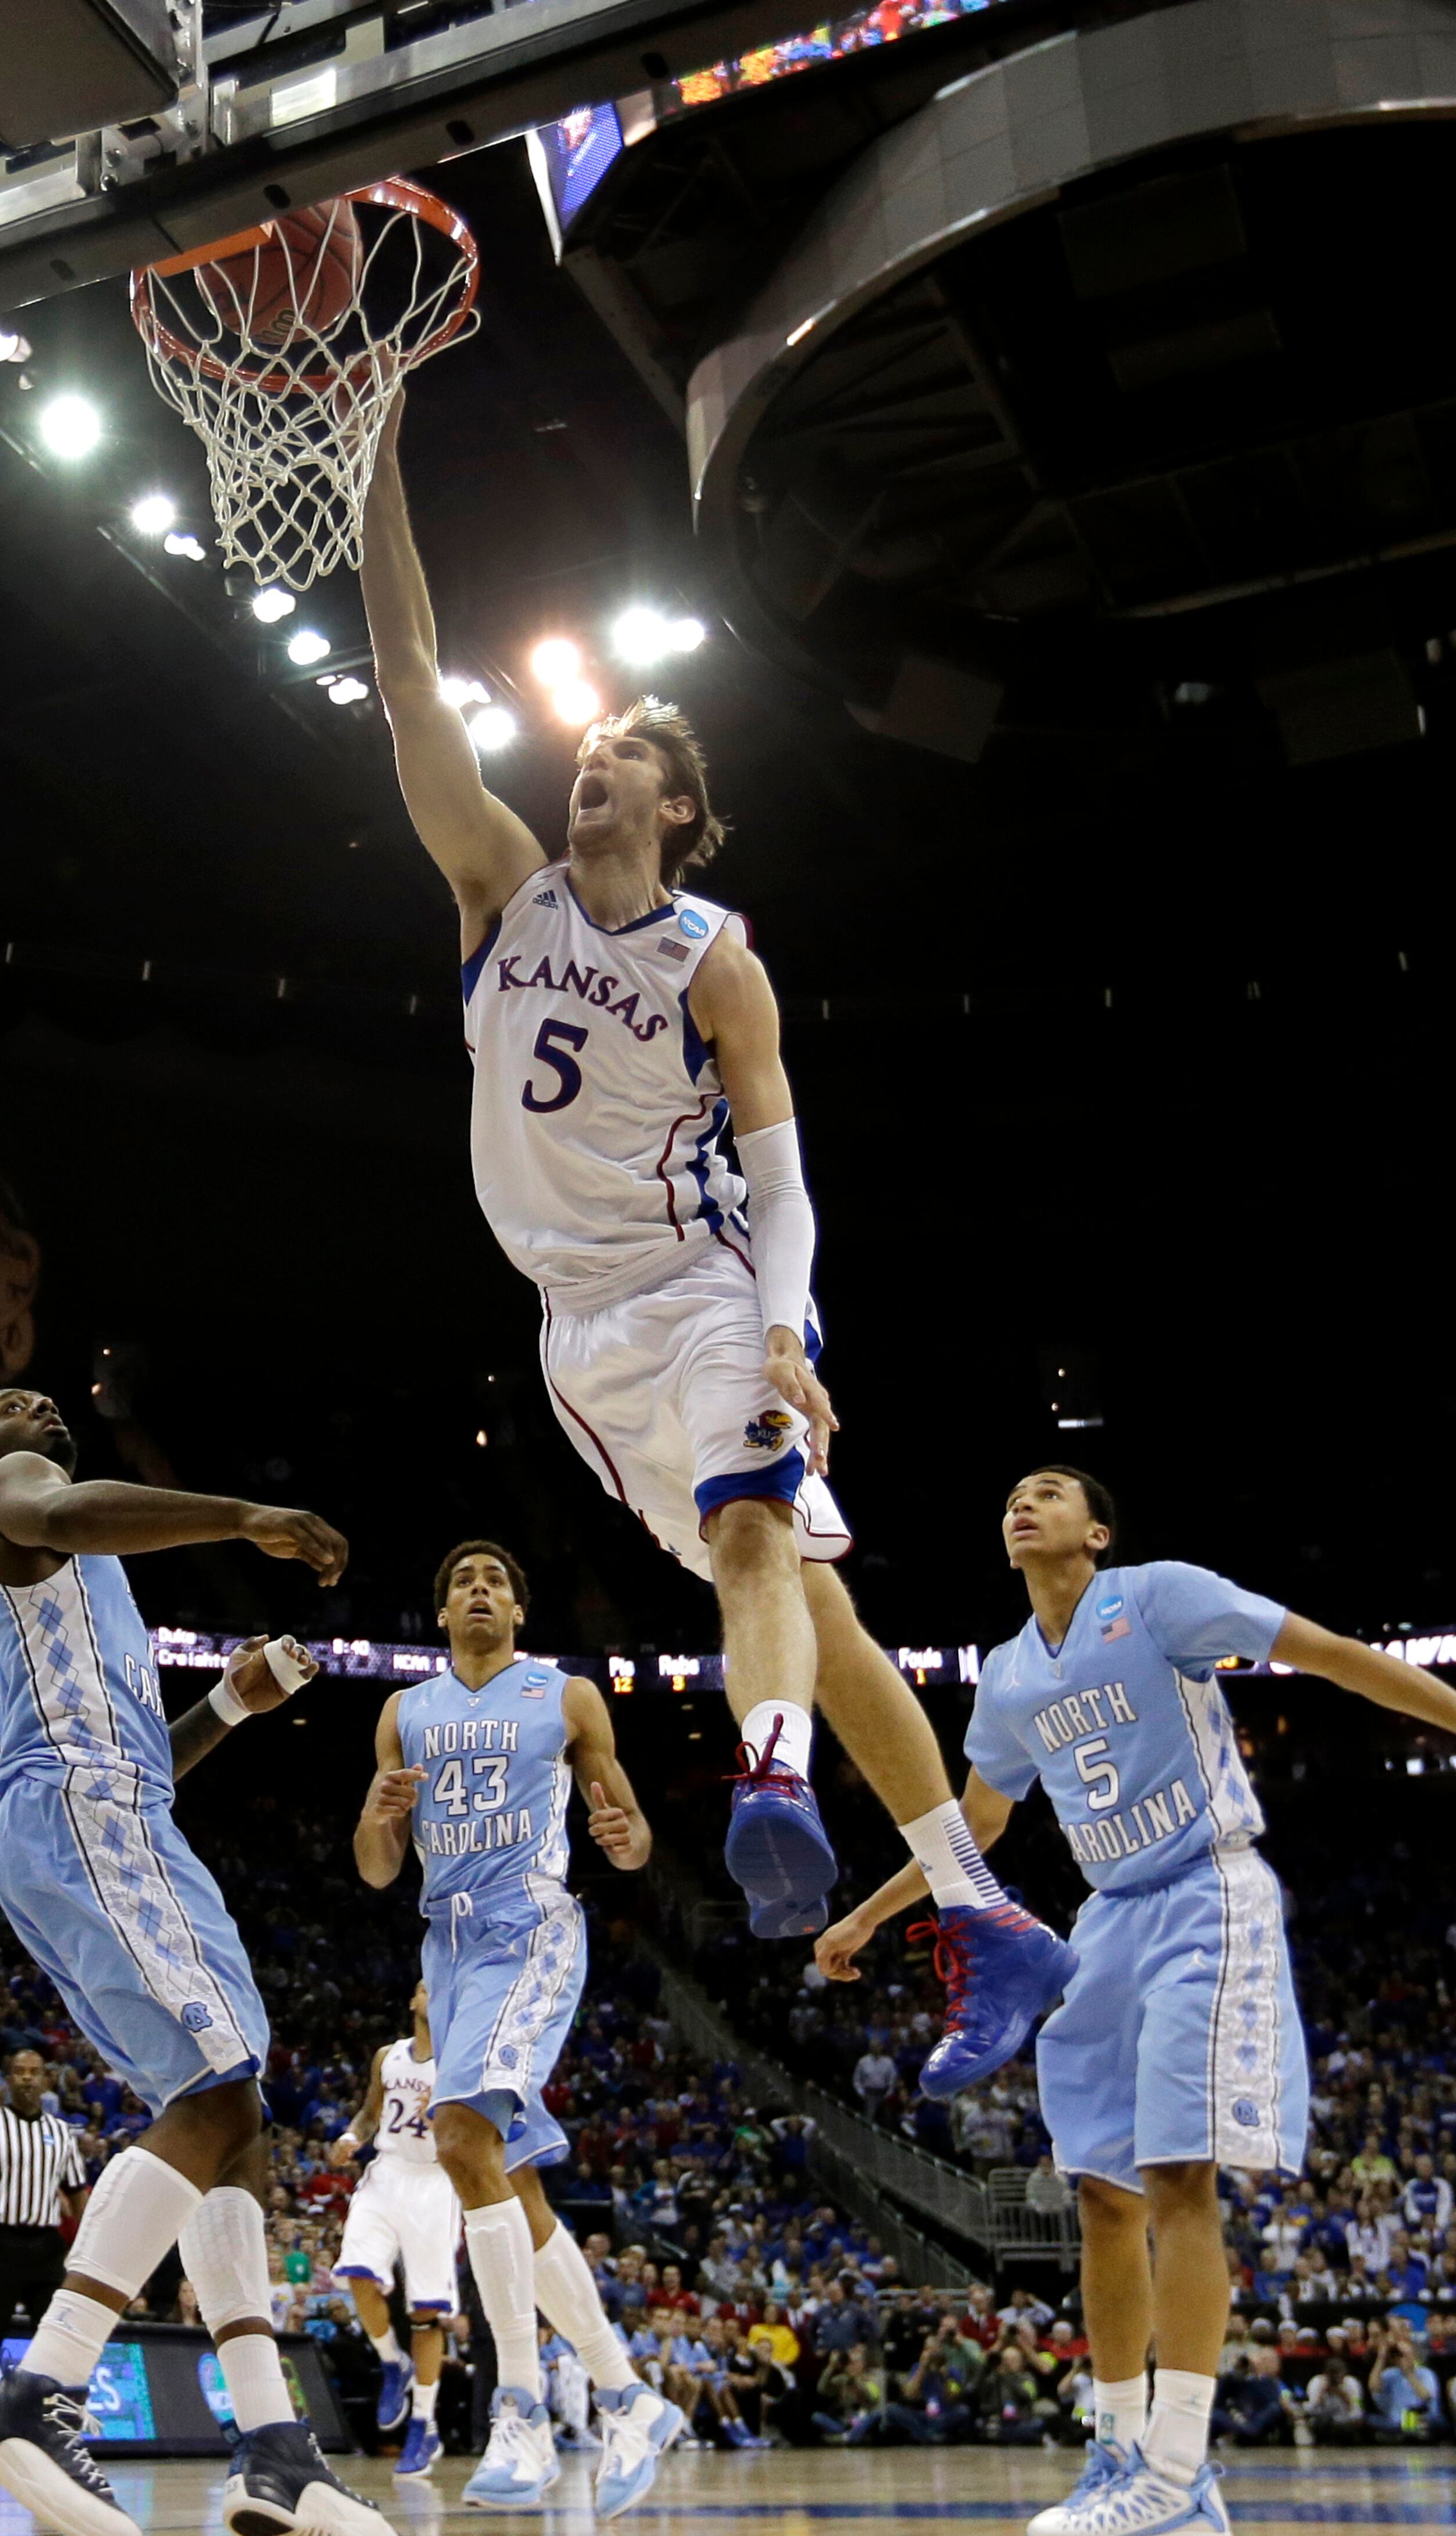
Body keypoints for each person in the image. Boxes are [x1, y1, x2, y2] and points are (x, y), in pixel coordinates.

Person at [357, 406, 1070, 2092]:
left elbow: (783, 1167)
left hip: (698, 1293)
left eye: (623, 751)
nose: (585, 757)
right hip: (574, 1337)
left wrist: (785, 1328)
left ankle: (770, 1778)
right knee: (816, 1608)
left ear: (678, 803)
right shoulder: (497, 889)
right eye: (581, 744)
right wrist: (377, 442)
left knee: (758, 1539)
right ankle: (988, 1915)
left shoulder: (714, 957)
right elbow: (404, 674)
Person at [818, 1466, 1456, 2536]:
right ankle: (1120, 2452)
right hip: (1104, 1922)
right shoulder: (1006, 1673)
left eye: (1048, 1492)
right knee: (1102, 2196)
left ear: (1098, 1531)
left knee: (1180, 2176)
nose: (1020, 1504)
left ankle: (1181, 2469)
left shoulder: (1159, 1596)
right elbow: (977, 1824)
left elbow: (1337, 1657)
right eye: (1011, 1497)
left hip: (1203, 1892)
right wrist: (873, 1916)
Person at [0, 1382, 408, 2536]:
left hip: (113, 1812)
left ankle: (275, 2446)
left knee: (230, 2124)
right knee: (216, 2098)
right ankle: (37, 2393)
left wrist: (229, 1707)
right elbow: (80, 1516)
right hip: (87, 1816)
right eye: (9, 1402)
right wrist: (246, 1515)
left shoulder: (80, 1586)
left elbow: (150, 1758)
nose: (36, 1400)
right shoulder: (17, 1496)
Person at [352, 1538, 686, 2517]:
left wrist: (629, 1838)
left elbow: (629, 1838)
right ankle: (628, 2396)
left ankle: (522, 2411)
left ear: (519, 1612)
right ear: (443, 1612)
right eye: (463, 1580)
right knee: (513, 2182)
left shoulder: (565, 1696)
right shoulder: (402, 1712)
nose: (481, 1590)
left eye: (497, 1580)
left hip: (528, 1926)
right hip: (445, 1951)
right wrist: (377, 1818)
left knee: (459, 2139)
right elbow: (378, 1868)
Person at [328, 1979, 460, 2478]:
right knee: (357, 2271)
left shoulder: (458, 2062)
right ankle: (392, 2361)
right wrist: (350, 2136)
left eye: (438, 1990)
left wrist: (447, 2119)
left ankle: (424, 2424)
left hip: (435, 2185)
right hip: (385, 2174)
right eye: (426, 1987)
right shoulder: (388, 2056)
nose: (432, 1996)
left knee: (426, 2313)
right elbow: (369, 2113)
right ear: (412, 2001)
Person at [0, 2049, 88, 2415]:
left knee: (58, 2342)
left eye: (34, 2072)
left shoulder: (61, 2132)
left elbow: (77, 2191)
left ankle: (57, 2429)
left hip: (47, 2246)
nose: (27, 2078)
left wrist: (83, 2245)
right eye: (19, 2072)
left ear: (46, 2080)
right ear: (8, 2080)